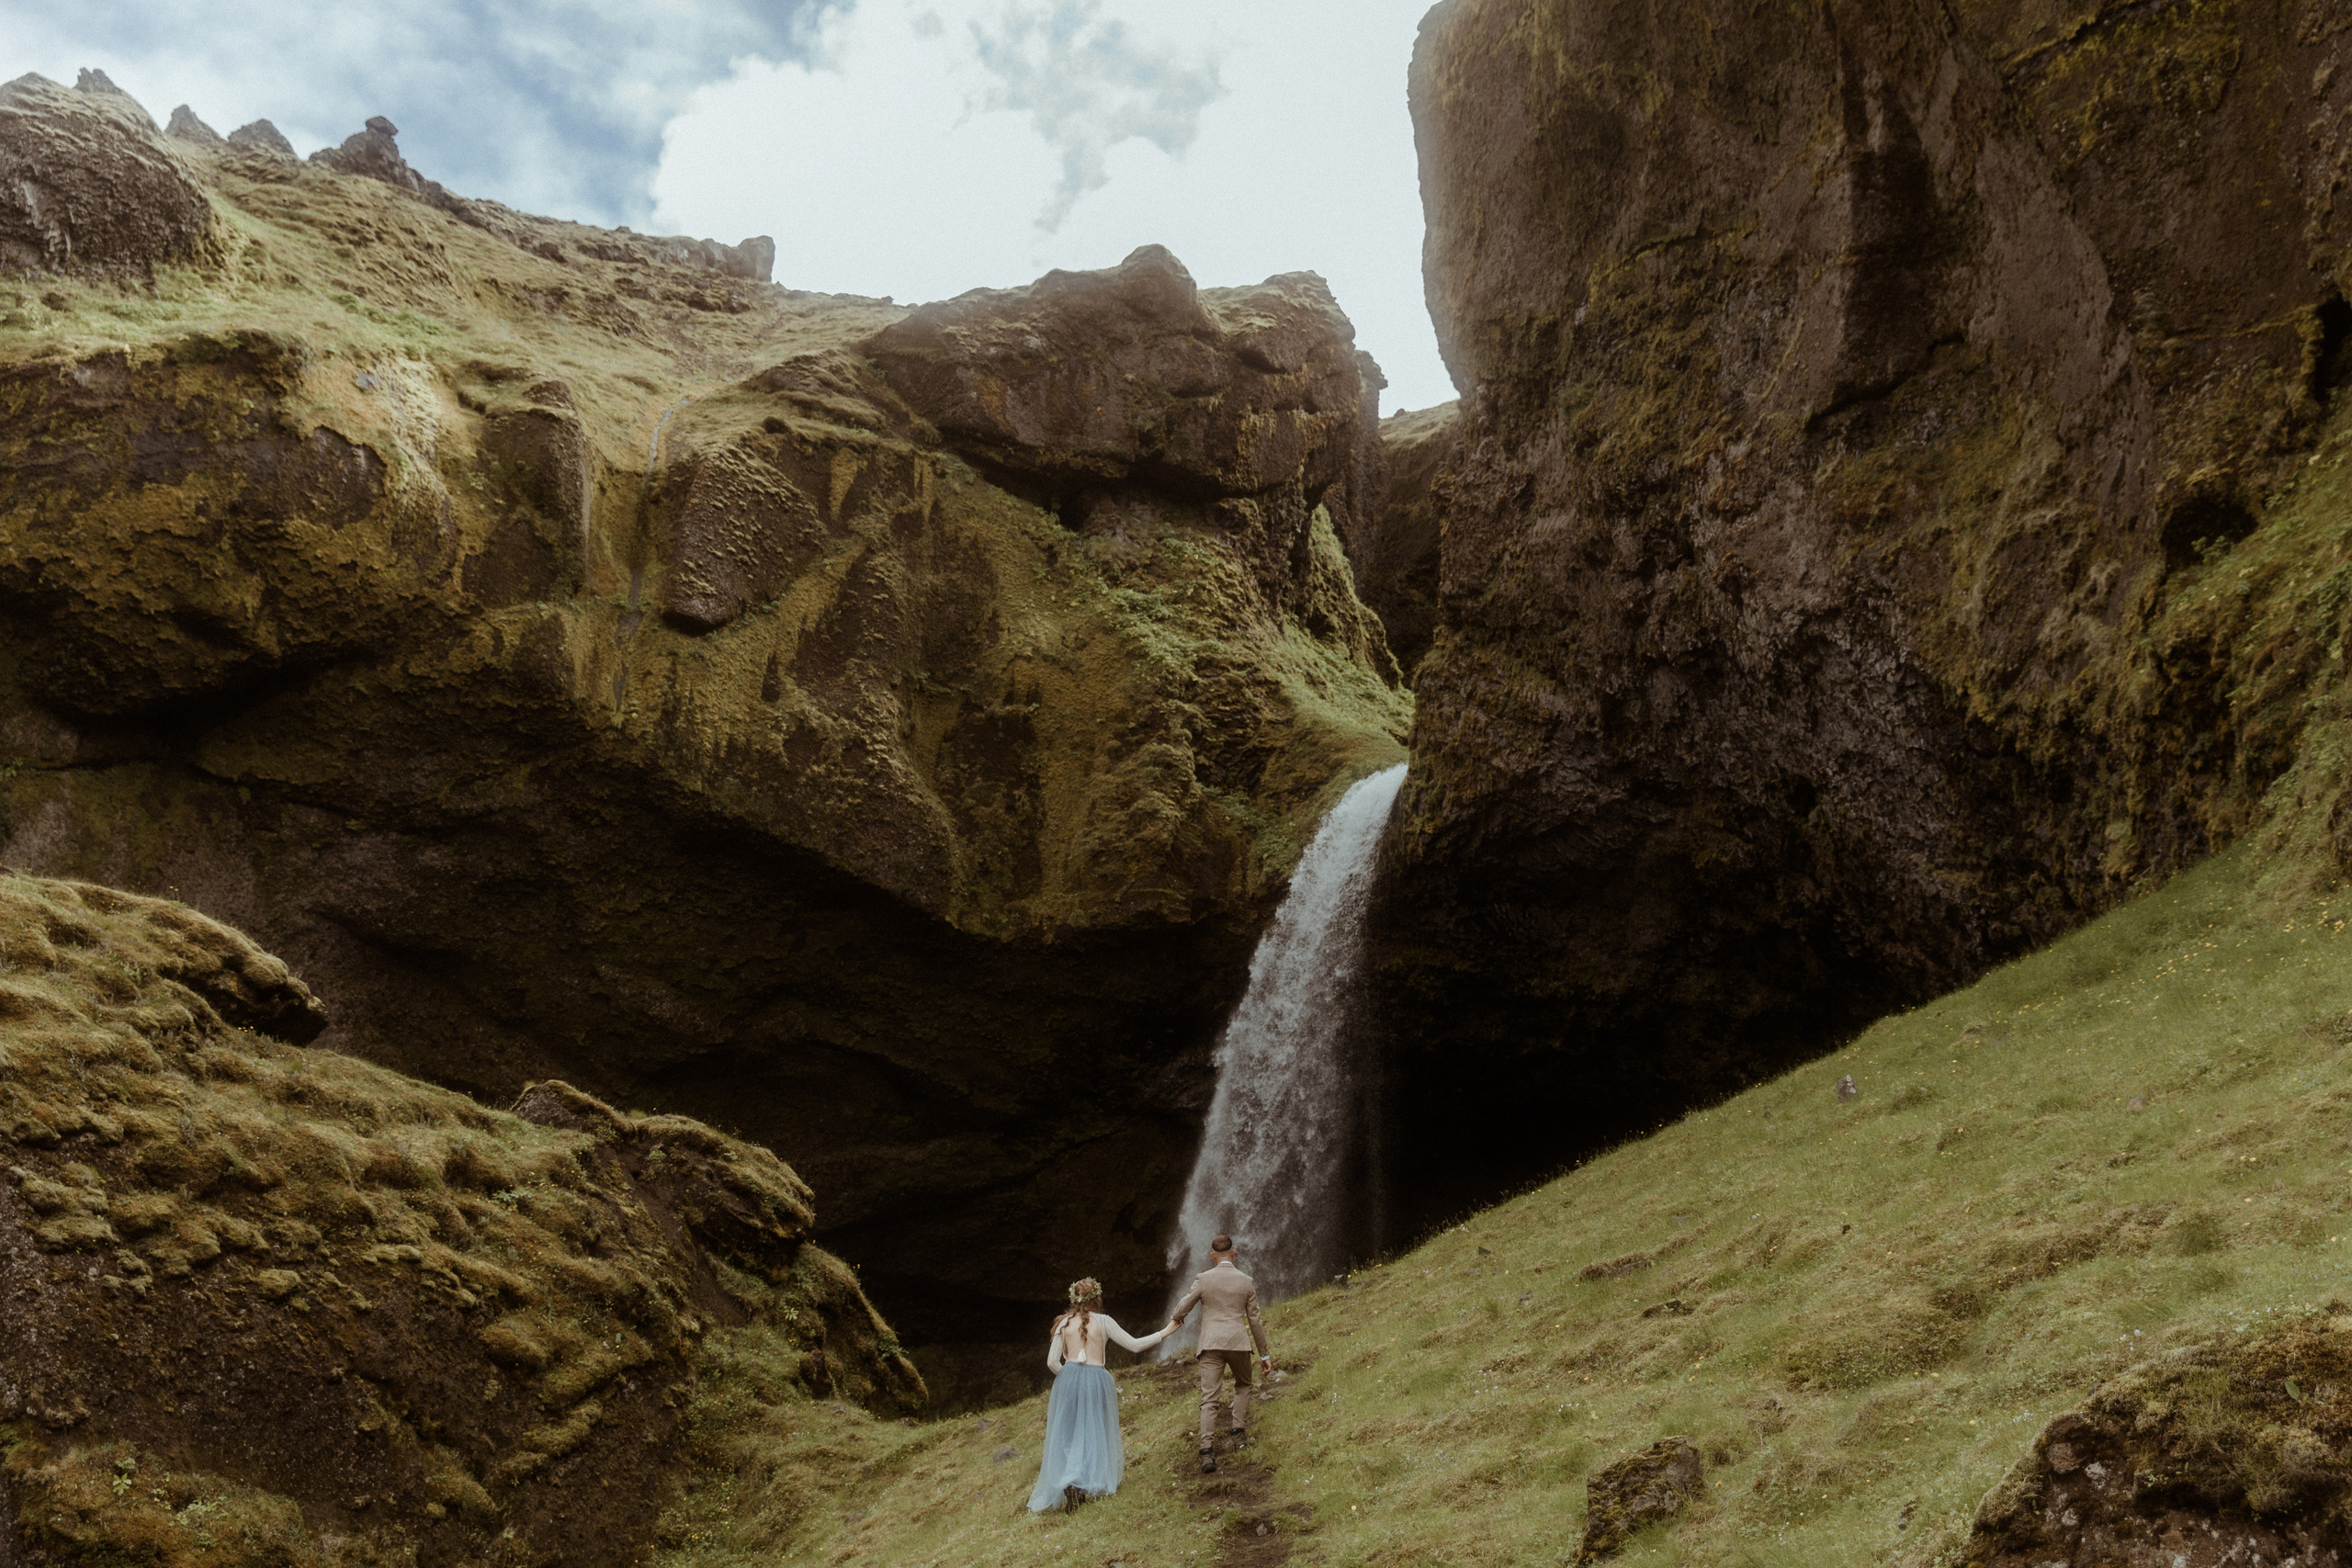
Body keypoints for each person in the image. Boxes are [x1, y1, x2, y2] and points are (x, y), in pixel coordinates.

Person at [1026, 1277, 1172, 1512]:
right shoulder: (1104, 1322)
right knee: (1092, 1430)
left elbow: (1053, 1362)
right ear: (1097, 1298)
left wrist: (1070, 1379)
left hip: (1069, 1379)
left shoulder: (1063, 1324)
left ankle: (1071, 1482)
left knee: (1069, 1431)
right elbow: (1134, 1345)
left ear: (1073, 1299)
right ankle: (1080, 1482)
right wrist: (1165, 1332)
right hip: (1096, 1379)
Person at [1167, 1234, 1271, 1474]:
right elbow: (1255, 1321)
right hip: (1238, 1343)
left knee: (1209, 1399)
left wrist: (1178, 1318)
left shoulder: (1203, 1279)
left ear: (1212, 1256)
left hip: (1210, 1344)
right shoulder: (1246, 1281)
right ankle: (1238, 1435)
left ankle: (1206, 1453)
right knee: (1244, 1385)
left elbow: (1182, 1306)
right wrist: (1264, 1355)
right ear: (1233, 1253)